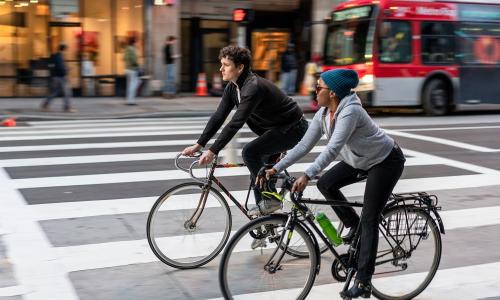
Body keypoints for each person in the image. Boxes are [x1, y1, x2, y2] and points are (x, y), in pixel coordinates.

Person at [261, 69, 406, 298]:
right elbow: (303, 146)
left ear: (334, 92)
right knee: (326, 184)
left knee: (370, 218)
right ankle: (354, 227)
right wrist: (275, 168)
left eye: (319, 87)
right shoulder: (323, 113)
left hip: (385, 161)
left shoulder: (350, 112)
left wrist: (307, 175)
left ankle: (364, 282)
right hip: (358, 159)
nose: (315, 90)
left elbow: (333, 149)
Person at [182, 45, 308, 217]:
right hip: (274, 129)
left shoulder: (252, 87)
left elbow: (236, 123)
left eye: (226, 65)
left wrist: (213, 151)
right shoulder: (233, 87)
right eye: (221, 64)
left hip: (293, 128)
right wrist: (199, 144)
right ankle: (267, 224)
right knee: (256, 172)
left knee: (250, 152)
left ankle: (271, 201)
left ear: (240, 67)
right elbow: (219, 116)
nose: (221, 69)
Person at [41, 43, 75, 113]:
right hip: (61, 77)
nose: (67, 52)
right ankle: (67, 108)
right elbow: (60, 68)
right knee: (67, 93)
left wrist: (66, 69)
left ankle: (45, 105)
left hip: (55, 77)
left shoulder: (55, 56)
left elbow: (56, 66)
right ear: (64, 49)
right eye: (66, 50)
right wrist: (66, 71)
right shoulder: (59, 57)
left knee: (54, 92)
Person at [124, 36, 140, 105]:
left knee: (129, 85)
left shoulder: (126, 49)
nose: (137, 43)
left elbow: (124, 58)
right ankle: (131, 101)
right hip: (132, 69)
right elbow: (134, 60)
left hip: (127, 69)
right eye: (136, 42)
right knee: (134, 84)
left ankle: (129, 100)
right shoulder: (132, 49)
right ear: (134, 42)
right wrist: (138, 65)